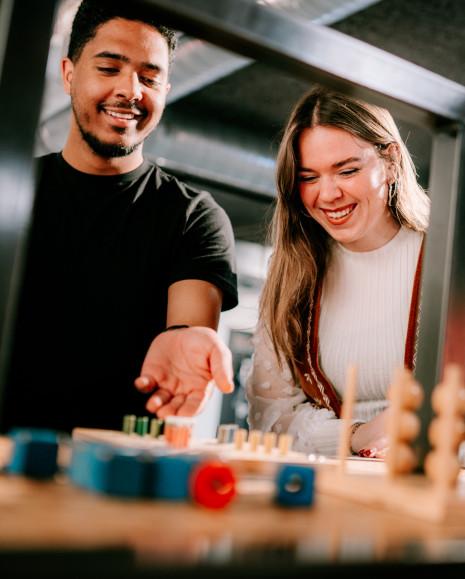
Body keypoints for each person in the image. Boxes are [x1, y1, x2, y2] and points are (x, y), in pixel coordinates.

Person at [0, 0, 238, 433]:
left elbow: (187, 327)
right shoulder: (9, 191)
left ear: (165, 89)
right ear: (69, 74)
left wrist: (190, 338)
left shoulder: (194, 217)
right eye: (109, 69)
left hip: (121, 472)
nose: (131, 90)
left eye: (149, 77)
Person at [247, 86, 430, 457]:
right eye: (309, 177)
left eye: (346, 170)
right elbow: (269, 418)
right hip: (335, 492)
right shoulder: (292, 270)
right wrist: (358, 435)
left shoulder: (451, 258)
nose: (328, 194)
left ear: (391, 162)